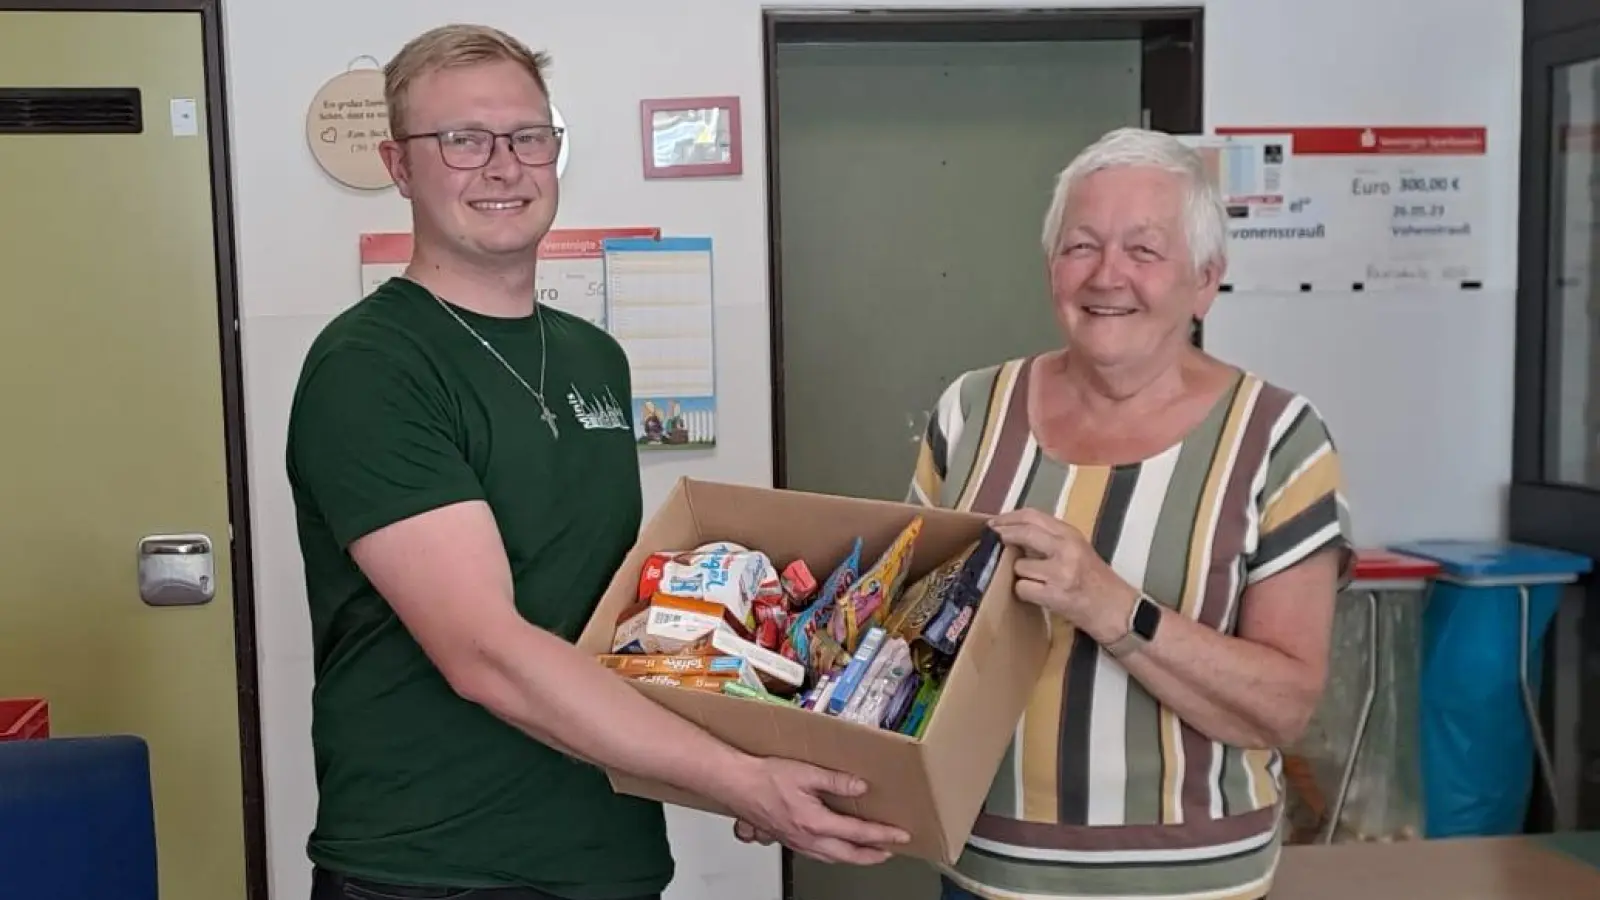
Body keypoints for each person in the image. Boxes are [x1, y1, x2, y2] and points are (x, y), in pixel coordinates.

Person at [285, 23, 906, 900]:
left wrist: (740, 756)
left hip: (605, 850)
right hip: (434, 864)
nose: (504, 166)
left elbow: (612, 621)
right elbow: (486, 653)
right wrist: (740, 779)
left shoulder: (591, 357)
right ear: (399, 166)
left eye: (528, 136)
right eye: (462, 139)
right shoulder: (372, 367)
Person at [737, 127, 1352, 897]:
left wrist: (1112, 606)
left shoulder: (1278, 438)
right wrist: (783, 765)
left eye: (1144, 250)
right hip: (983, 872)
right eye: (1080, 246)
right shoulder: (971, 412)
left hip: (1190, 883)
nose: (1107, 276)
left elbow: (1285, 708)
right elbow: (898, 647)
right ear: (1051, 268)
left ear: (1205, 280)